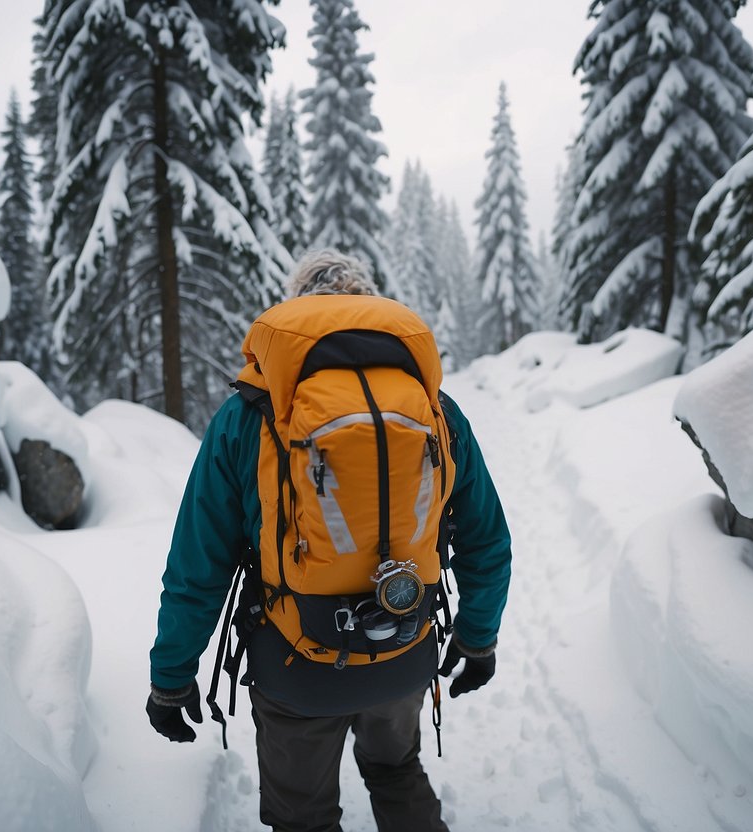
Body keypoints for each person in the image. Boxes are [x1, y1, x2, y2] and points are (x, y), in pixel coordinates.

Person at [146, 250, 512, 832]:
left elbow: (199, 564)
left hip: (295, 664)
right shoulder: (437, 411)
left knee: (304, 819)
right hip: (403, 646)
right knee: (397, 772)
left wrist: (171, 675)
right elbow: (487, 541)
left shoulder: (250, 415)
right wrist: (478, 638)